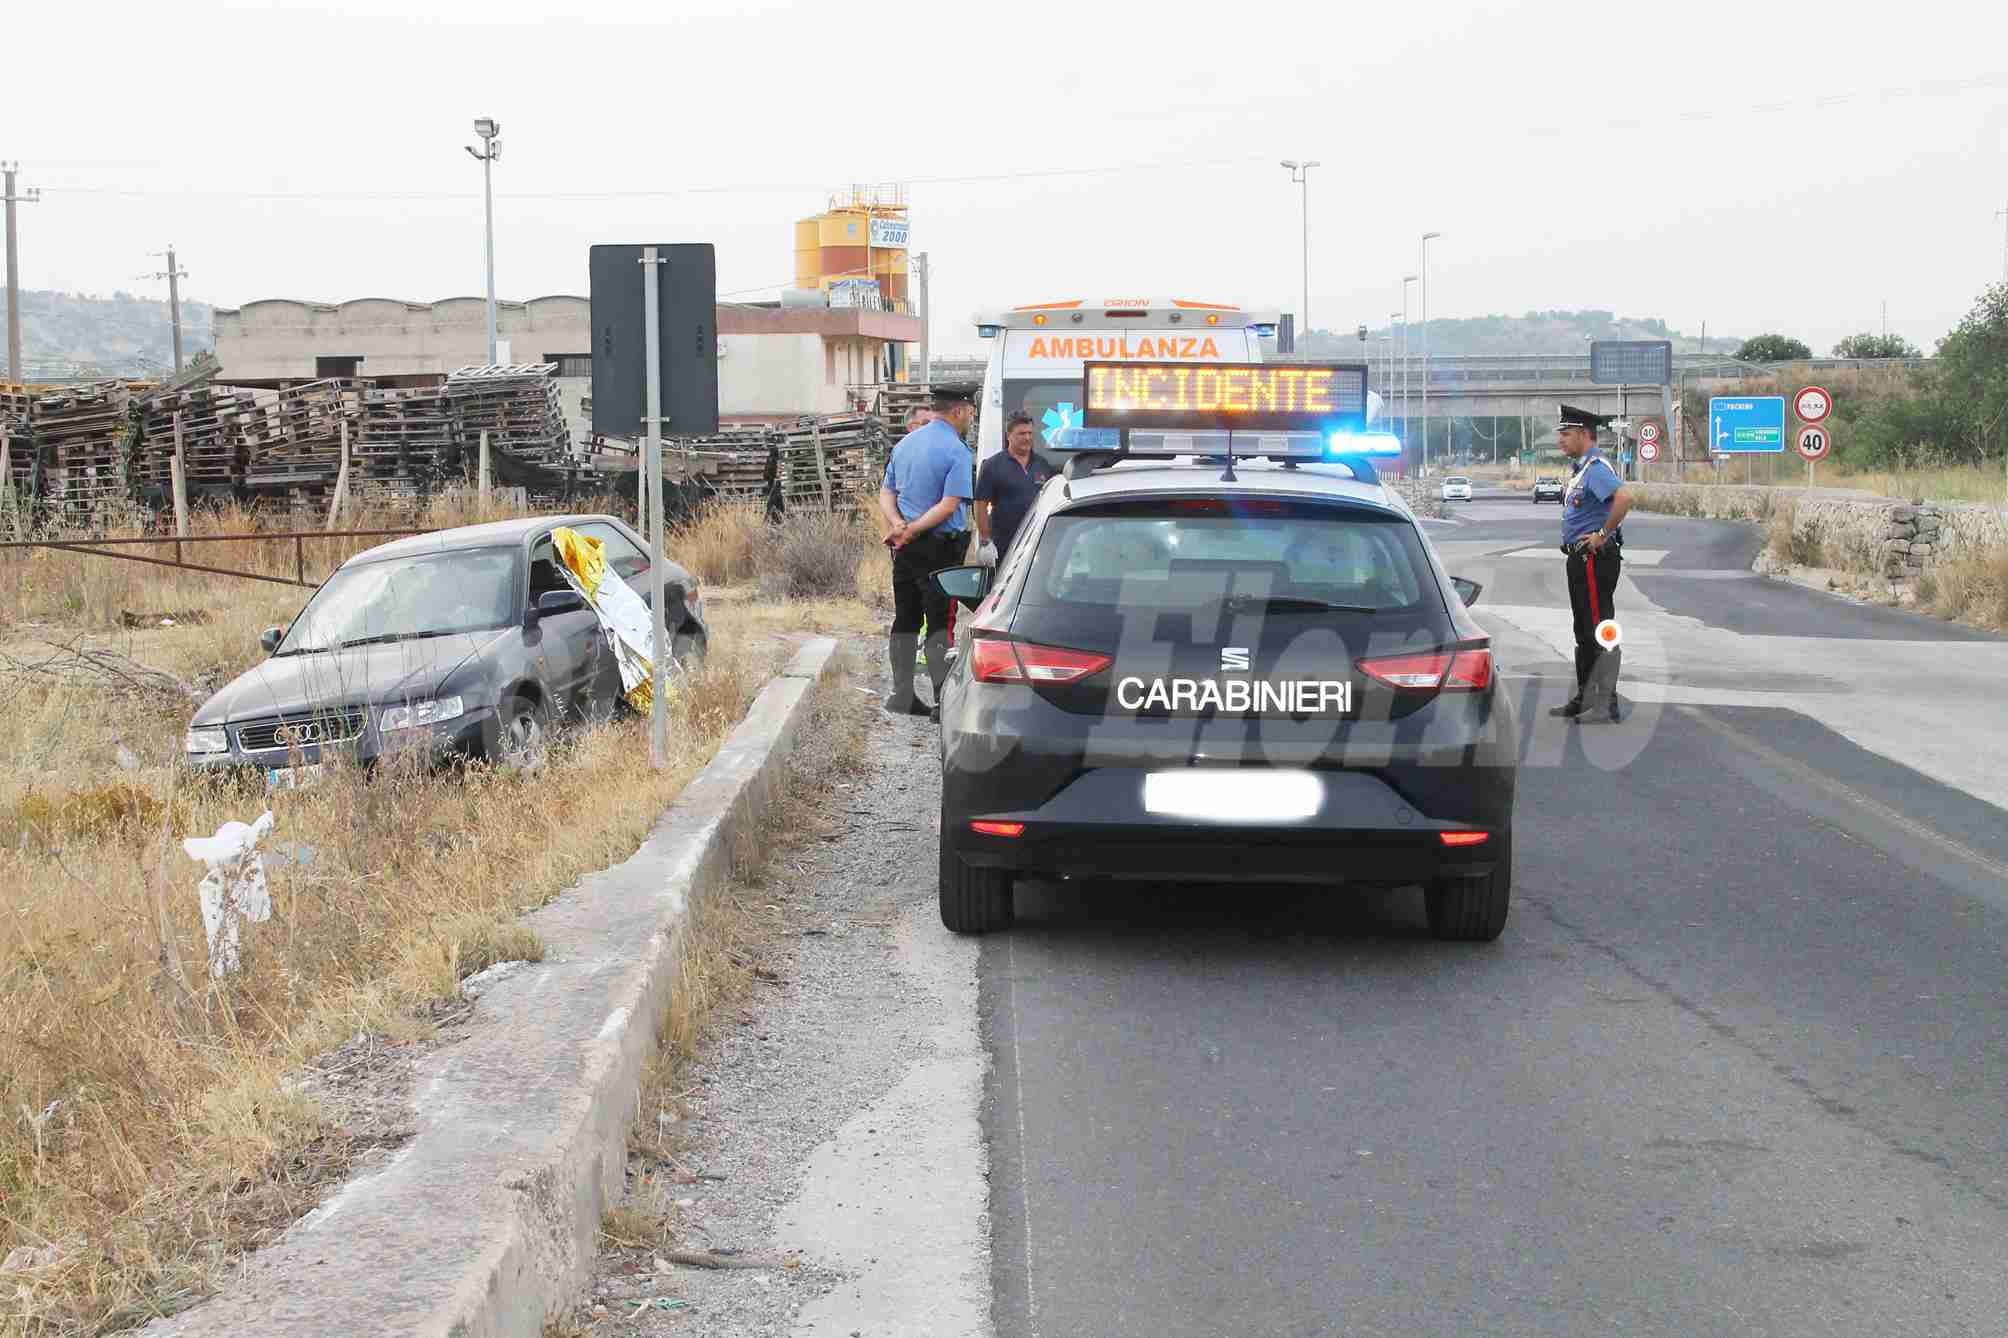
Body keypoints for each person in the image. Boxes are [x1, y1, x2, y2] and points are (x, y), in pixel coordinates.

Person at [878, 383, 977, 715]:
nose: (972, 419)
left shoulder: (905, 444)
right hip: (939, 549)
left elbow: (886, 493)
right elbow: (949, 506)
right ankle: (941, 702)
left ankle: (902, 695)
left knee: (905, 618)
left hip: (905, 549)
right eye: (971, 413)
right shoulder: (957, 451)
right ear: (960, 411)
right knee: (940, 623)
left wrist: (898, 526)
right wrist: (913, 530)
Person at [1549, 403, 1634, 723]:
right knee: (1584, 630)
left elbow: (1624, 498)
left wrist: (1601, 534)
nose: (1561, 440)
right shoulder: (1582, 468)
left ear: (1585, 434)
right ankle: (1586, 695)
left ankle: (1605, 701)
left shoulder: (1597, 467)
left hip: (1594, 559)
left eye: (1566, 434)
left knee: (1599, 629)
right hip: (1580, 559)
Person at [972, 412, 1053, 567]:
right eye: (1021, 433)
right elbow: (980, 504)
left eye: (1030, 433)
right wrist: (984, 540)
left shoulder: (1042, 464)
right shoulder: (993, 465)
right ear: (1008, 435)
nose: (1027, 438)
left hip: (1036, 540)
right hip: (1004, 543)